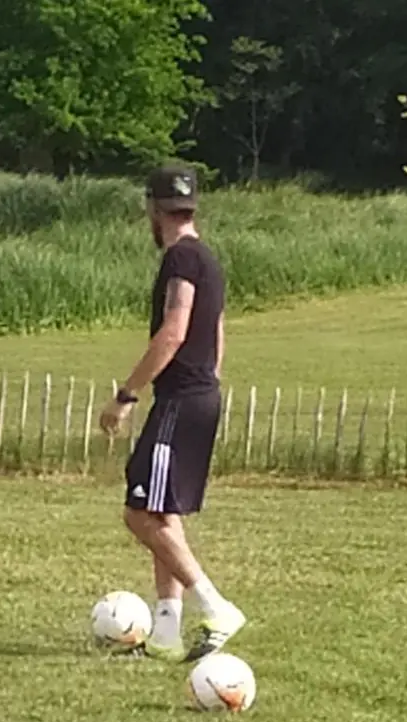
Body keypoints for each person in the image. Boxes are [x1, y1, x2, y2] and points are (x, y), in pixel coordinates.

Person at [98, 166, 245, 663]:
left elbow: (174, 330)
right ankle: (165, 632)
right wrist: (208, 379)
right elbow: (219, 333)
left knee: (138, 512)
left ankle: (215, 605)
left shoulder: (180, 258)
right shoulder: (209, 258)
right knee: (164, 511)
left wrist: (127, 394)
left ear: (153, 210)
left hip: (181, 398)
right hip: (201, 394)